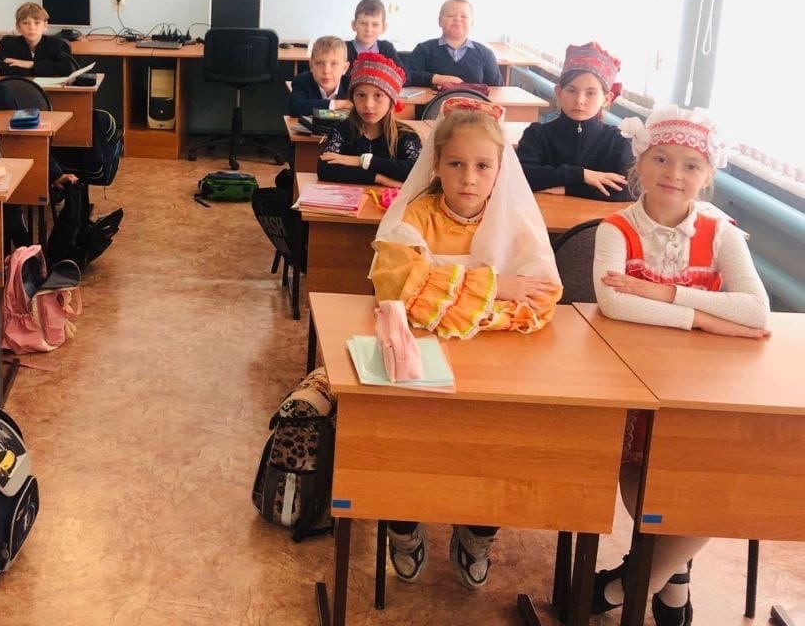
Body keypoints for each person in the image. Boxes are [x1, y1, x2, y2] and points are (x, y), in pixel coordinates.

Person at [369, 98, 562, 589]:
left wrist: (452, 294)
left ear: (500, 170)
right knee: (410, 442)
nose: (469, 179)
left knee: (495, 446)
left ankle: (478, 531)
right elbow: (400, 287)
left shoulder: (516, 221)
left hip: (496, 364)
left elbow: (541, 298)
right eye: (456, 164)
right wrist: (496, 287)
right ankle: (403, 524)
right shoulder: (414, 216)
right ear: (436, 165)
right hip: (422, 355)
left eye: (482, 166)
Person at [589, 105, 769, 626]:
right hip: (632, 378)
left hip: (705, 387)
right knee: (644, 478)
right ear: (639, 164)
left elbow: (755, 311)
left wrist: (662, 292)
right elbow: (614, 303)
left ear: (708, 176)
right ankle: (674, 573)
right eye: (661, 159)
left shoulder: (721, 231)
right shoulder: (616, 228)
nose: (674, 173)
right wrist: (706, 319)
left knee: (717, 484)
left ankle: (633, 582)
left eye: (691, 165)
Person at [516, 41, 633, 201]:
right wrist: (582, 174)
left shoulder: (619, 141)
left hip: (597, 218)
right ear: (559, 92)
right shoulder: (537, 134)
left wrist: (564, 188)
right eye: (571, 90)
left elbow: (629, 190)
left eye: (590, 93)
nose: (579, 100)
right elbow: (521, 175)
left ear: (606, 99)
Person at [317, 52, 420, 186]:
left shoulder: (406, 136)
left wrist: (362, 161)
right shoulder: (343, 130)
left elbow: (415, 172)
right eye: (361, 95)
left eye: (378, 95)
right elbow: (325, 168)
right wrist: (378, 178)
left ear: (391, 100)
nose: (368, 105)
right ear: (352, 98)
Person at [403, 0, 502, 88]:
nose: (457, 19)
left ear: (472, 23)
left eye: (463, 16)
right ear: (439, 21)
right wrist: (437, 78)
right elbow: (406, 75)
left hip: (475, 102)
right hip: (433, 102)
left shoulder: (486, 54)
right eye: (450, 15)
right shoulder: (424, 49)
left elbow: (497, 89)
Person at [0, 2, 77, 77]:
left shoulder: (57, 44)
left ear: (45, 26)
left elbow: (67, 69)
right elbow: (3, 70)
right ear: (18, 27)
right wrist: (45, 68)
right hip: (19, 87)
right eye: (25, 23)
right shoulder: (8, 43)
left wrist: (30, 64)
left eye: (37, 23)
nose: (31, 28)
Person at [288, 36, 350, 116]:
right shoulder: (302, 81)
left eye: (334, 64)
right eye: (319, 63)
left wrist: (324, 112)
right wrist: (337, 104)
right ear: (311, 65)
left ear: (344, 68)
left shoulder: (352, 85)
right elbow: (295, 108)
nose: (326, 71)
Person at [347, 0, 400, 65]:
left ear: (383, 28)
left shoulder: (387, 49)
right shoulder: (342, 50)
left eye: (375, 25)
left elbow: (402, 71)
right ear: (354, 25)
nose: (368, 29)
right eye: (363, 23)